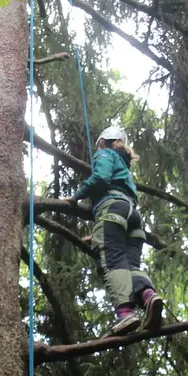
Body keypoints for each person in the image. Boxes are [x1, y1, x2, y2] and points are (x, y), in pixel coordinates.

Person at [65, 125, 164, 337]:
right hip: (133, 217)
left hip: (112, 210)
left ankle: (125, 313)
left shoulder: (104, 153)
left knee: (111, 259)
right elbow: (117, 226)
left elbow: (100, 178)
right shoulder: (125, 168)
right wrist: (98, 234)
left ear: (102, 142)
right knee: (131, 265)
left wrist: (76, 196)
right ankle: (148, 296)